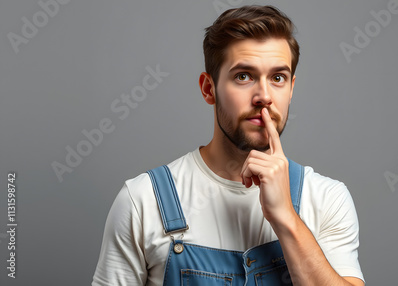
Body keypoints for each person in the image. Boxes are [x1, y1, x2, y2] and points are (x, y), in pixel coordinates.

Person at [92, 5, 365, 286]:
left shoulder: (326, 198)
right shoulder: (142, 201)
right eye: (243, 76)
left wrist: (286, 217)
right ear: (209, 89)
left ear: (292, 88)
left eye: (278, 78)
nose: (264, 96)